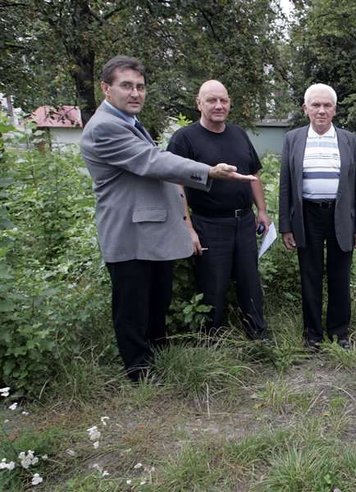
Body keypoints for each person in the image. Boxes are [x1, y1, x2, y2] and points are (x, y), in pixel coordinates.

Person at [80, 56, 255, 382]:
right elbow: (152, 162)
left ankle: (155, 356)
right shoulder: (105, 127)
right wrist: (209, 171)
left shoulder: (128, 123)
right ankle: (139, 372)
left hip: (149, 229)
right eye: (126, 86)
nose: (135, 93)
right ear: (106, 88)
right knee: (132, 306)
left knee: (155, 299)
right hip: (129, 233)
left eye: (140, 87)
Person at [166, 80, 269, 340]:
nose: (218, 105)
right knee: (213, 286)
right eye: (211, 100)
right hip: (209, 225)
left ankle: (258, 335)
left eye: (223, 100)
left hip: (243, 222)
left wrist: (262, 211)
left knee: (249, 281)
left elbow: (254, 175)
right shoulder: (184, 139)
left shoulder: (239, 134)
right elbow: (174, 184)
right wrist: (187, 228)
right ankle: (213, 343)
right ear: (198, 103)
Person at [279, 83, 356, 351]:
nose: (321, 110)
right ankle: (313, 335)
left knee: (340, 276)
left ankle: (340, 333)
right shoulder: (293, 139)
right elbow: (286, 185)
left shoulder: (350, 141)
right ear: (305, 109)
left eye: (327, 105)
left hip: (341, 217)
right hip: (307, 217)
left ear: (335, 109)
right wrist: (286, 226)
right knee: (310, 276)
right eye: (315, 105)